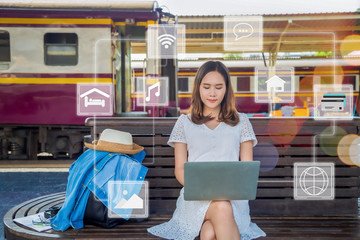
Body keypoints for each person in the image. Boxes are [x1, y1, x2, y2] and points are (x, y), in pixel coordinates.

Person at [147, 61, 266, 240]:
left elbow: (247, 169)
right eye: (207, 87)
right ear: (198, 88)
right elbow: (180, 169)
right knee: (221, 209)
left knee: (211, 229)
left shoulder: (242, 122)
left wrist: (226, 191)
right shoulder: (184, 123)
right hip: (195, 200)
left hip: (234, 202)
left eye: (218, 87)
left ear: (226, 89)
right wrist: (201, 188)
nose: (212, 93)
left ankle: (207, 229)